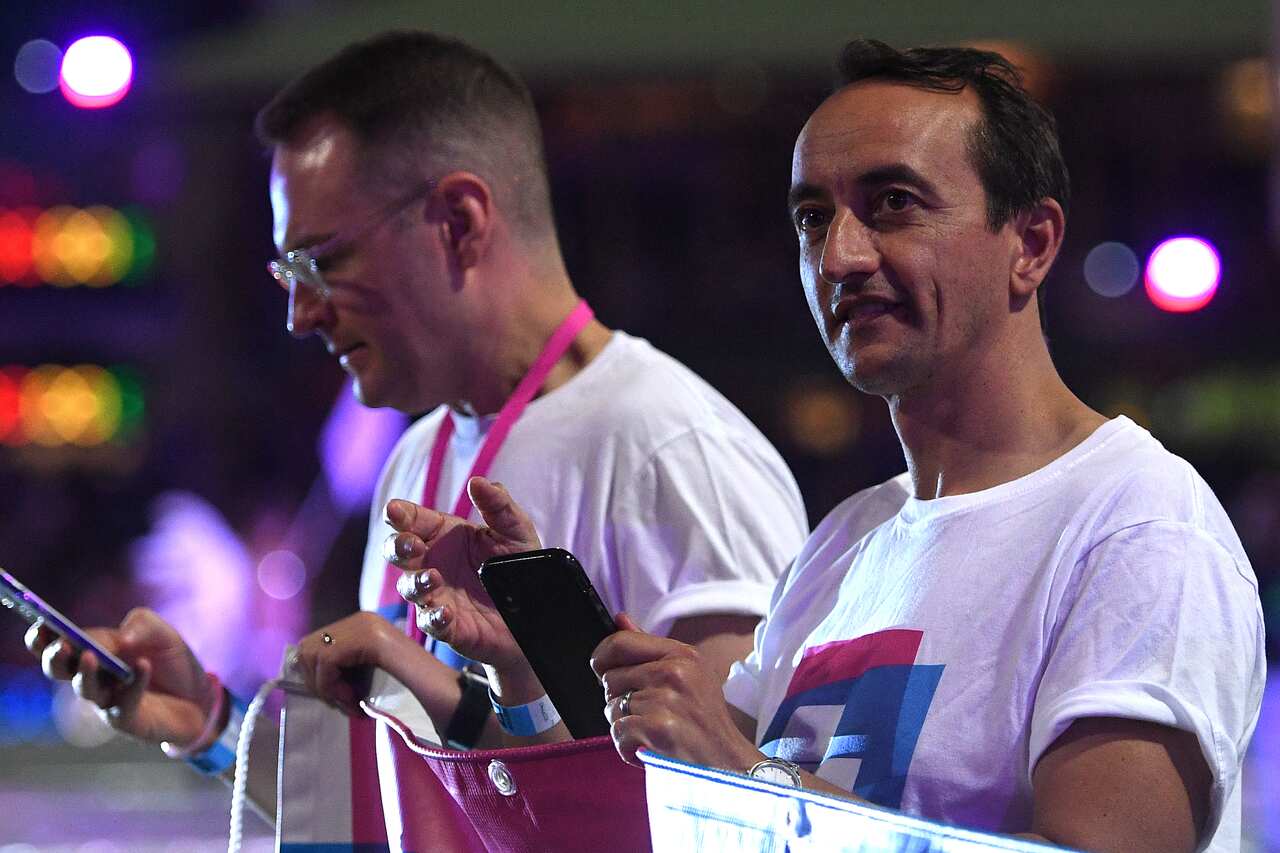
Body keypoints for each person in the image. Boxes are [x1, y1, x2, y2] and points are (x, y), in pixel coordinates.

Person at [393, 40, 1266, 852]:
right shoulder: (847, 541)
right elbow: (689, 830)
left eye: (894, 203)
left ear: (1031, 243)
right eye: (814, 217)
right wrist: (525, 671)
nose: (841, 255)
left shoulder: (1140, 527)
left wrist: (749, 772)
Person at [26, 29, 807, 830]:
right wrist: (209, 725)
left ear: (459, 222)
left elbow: (736, 821)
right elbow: (403, 821)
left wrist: (462, 690)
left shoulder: (676, 453)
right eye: (288, 274)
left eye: (321, 262)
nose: (300, 315)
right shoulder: (413, 457)